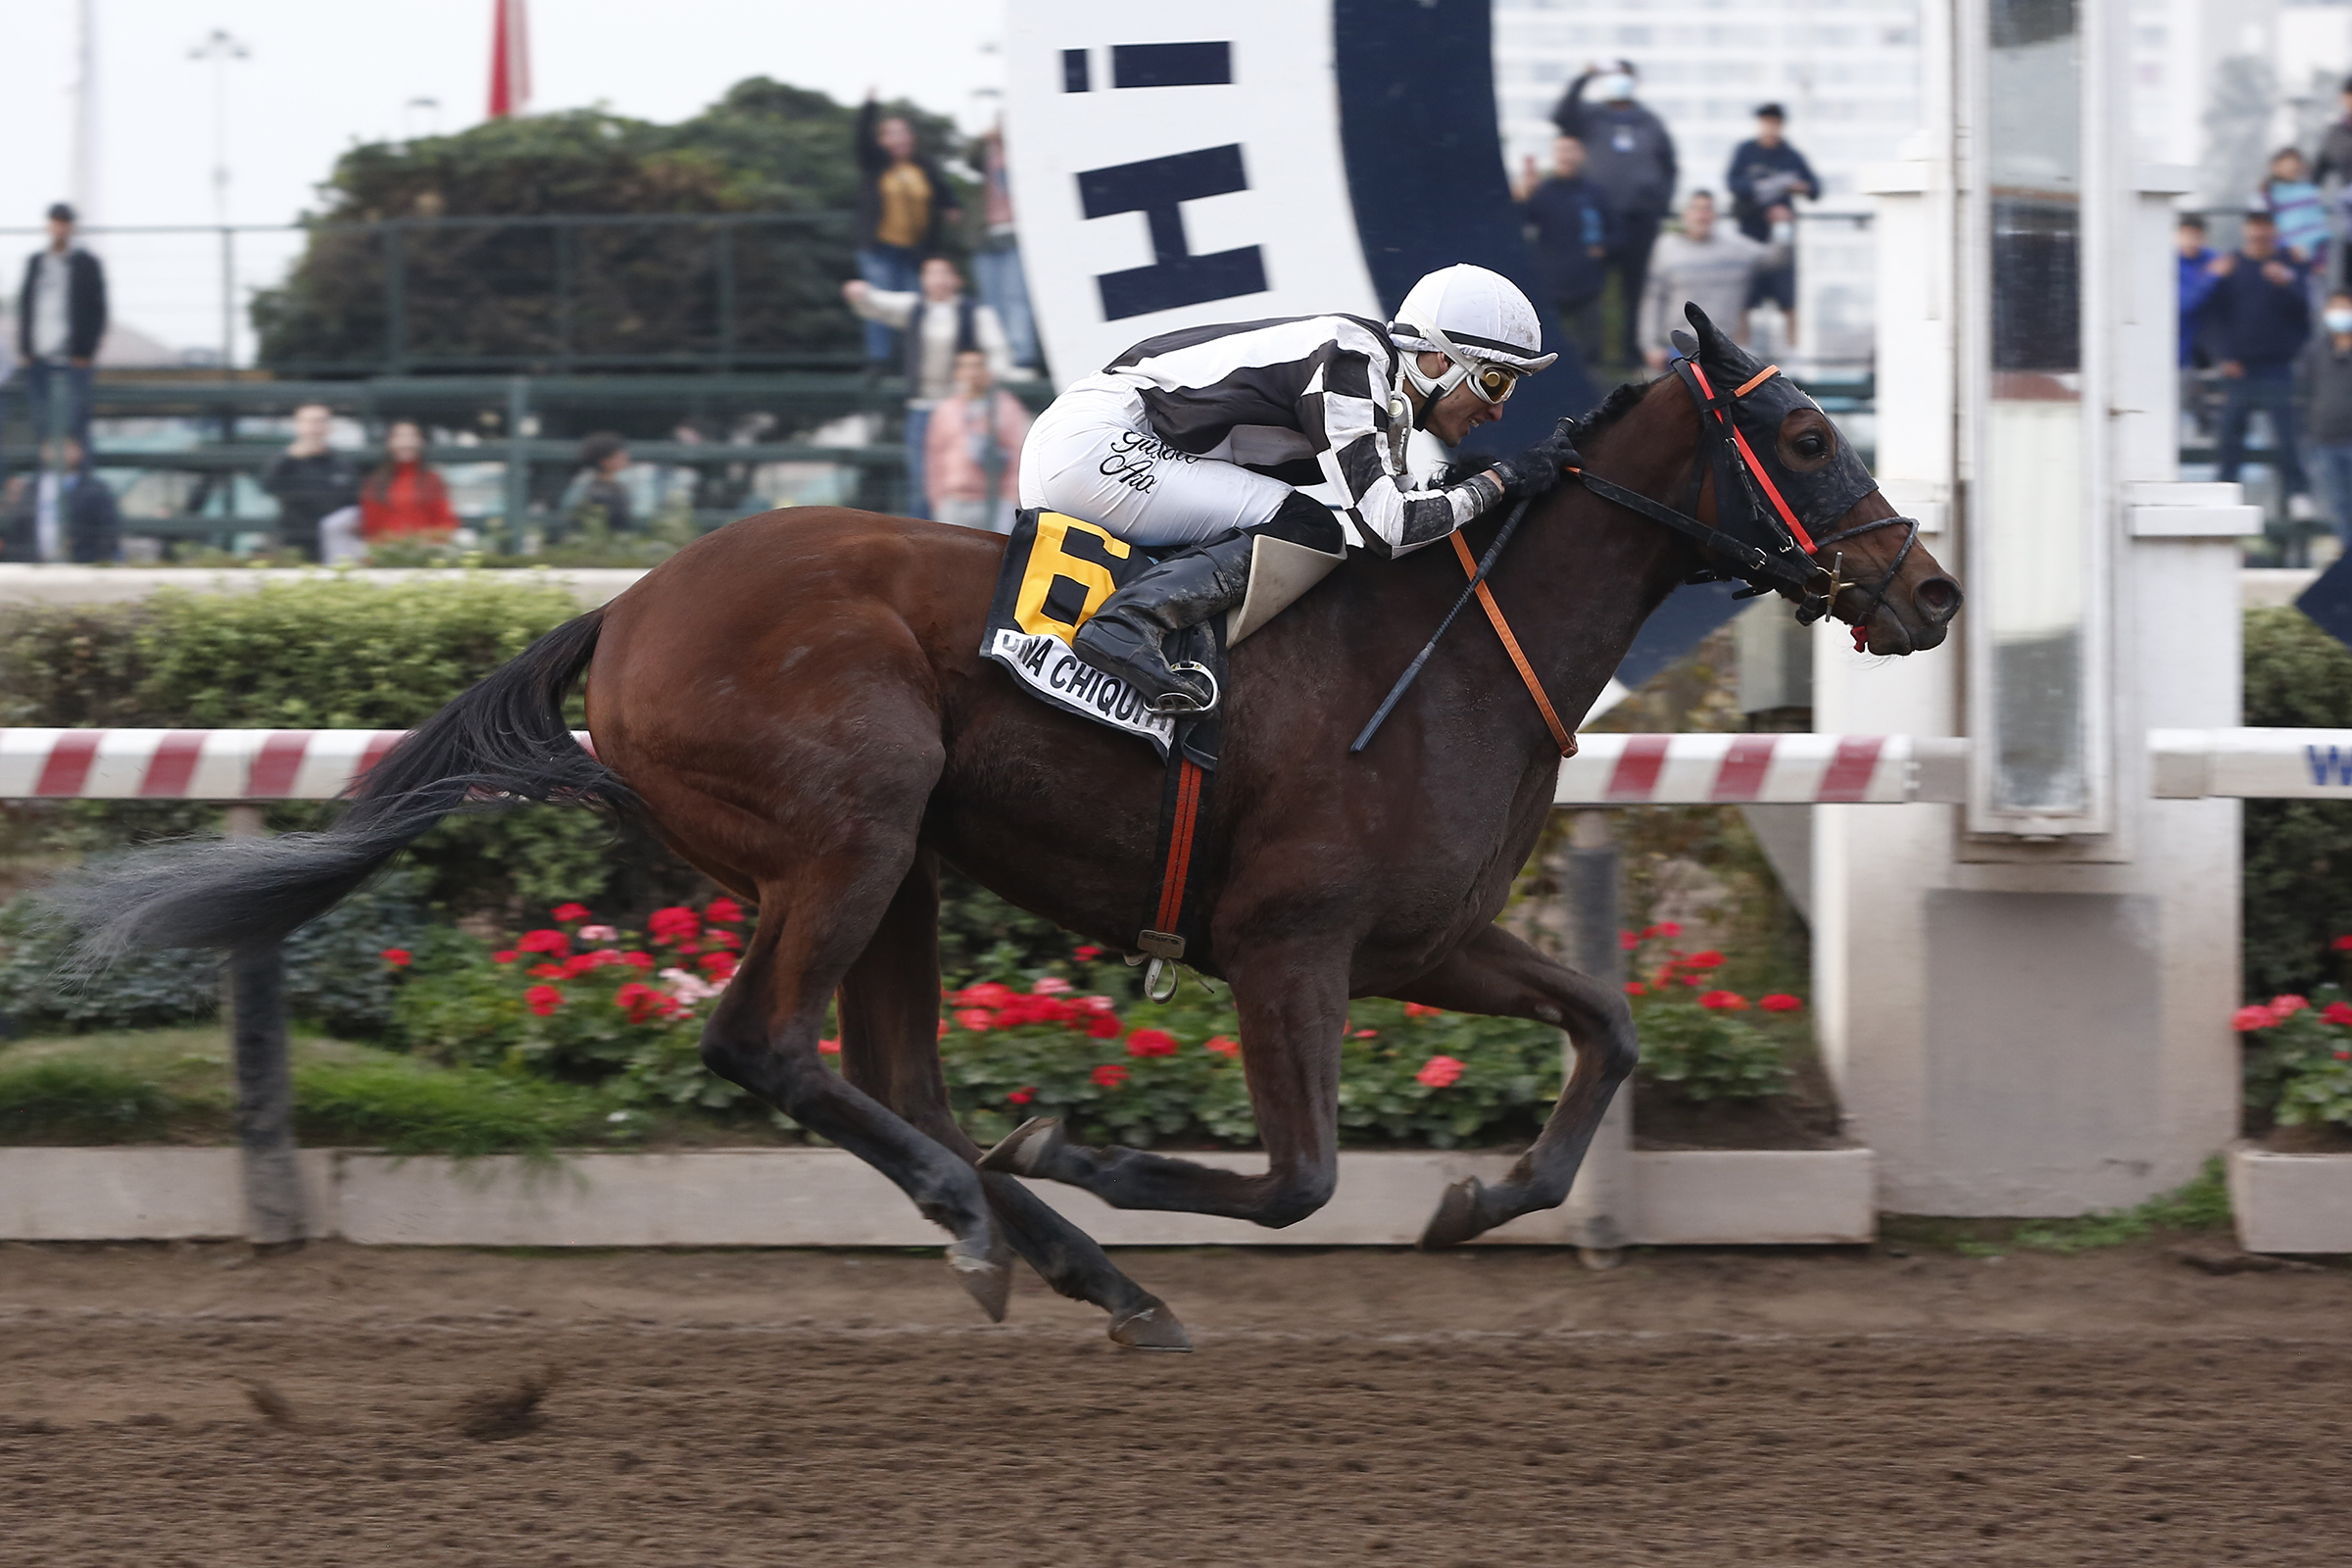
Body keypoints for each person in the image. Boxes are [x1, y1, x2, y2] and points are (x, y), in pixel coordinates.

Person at [1018, 263, 1578, 711]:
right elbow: (1390, 530)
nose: (1498, 411)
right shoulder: (1352, 359)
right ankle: (1128, 625)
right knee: (1309, 527)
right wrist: (1501, 481)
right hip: (1096, 444)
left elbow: (1412, 520)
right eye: (1495, 381)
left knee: (1304, 533)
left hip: (1094, 449)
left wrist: (1487, 488)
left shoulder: (1383, 398)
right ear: (1436, 358)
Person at [843, 255, 1010, 518]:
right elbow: (880, 304)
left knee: (960, 477)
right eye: (931, 274)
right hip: (922, 407)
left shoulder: (974, 312)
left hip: (960, 409)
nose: (938, 280)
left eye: (944, 273)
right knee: (921, 482)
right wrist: (862, 294)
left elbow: (998, 352)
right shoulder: (915, 308)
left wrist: (988, 377)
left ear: (956, 279)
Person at [1551, 62, 1676, 367]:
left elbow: (1669, 166)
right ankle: (1588, 356)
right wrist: (1586, 76)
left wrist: (1660, 204)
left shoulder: (1649, 122)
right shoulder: (1592, 115)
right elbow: (1561, 116)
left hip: (1640, 218)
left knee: (1636, 290)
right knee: (1589, 287)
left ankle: (1630, 354)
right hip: (1599, 218)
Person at [2207, 212, 2313, 517]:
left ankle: (2297, 493)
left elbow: (2305, 310)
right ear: (2245, 232)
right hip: (2238, 368)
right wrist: (2225, 356)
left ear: (2274, 233)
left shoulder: (2289, 264)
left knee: (2287, 435)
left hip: (2278, 365)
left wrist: (2286, 282)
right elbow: (2214, 317)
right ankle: (2224, 492)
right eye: (2254, 232)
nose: (2259, 238)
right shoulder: (2231, 266)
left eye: (2265, 232)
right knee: (2230, 434)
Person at [854, 93, 961, 370]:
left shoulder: (923, 166)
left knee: (916, 306)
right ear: (882, 140)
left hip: (914, 251)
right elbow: (860, 138)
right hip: (880, 247)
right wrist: (870, 105)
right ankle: (879, 361)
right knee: (877, 302)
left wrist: (951, 206)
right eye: (891, 134)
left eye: (903, 133)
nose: (899, 139)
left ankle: (913, 360)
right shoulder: (875, 165)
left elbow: (941, 190)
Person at [1638, 191, 1782, 368]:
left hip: (1723, 347)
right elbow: (1653, 299)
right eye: (1696, 209)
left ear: (1715, 215)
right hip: (1678, 348)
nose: (1702, 215)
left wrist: (1781, 226)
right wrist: (1649, 346)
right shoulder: (1667, 248)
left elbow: (1776, 259)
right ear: (1685, 214)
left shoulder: (1736, 248)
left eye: (1707, 209)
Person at [1514, 134, 1614, 365]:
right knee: (1544, 347)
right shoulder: (1543, 191)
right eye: (1562, 150)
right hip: (1551, 285)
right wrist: (1522, 195)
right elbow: (1519, 225)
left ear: (1581, 154)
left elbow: (1616, 232)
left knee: (1590, 350)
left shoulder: (1595, 192)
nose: (1567, 156)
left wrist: (1603, 248)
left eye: (1571, 150)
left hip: (1588, 285)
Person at [14, 203, 107, 449]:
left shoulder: (86, 263)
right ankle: (47, 475)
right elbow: (25, 306)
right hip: (39, 359)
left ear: (72, 228)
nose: (60, 229)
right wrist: (26, 350)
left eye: (64, 223)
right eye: (56, 223)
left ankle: (77, 475)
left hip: (74, 359)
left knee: (74, 430)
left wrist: (85, 352)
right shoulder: (36, 262)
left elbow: (98, 311)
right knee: (43, 429)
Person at [1725, 105, 1817, 342]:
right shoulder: (1746, 151)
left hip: (1781, 237)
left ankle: (1793, 354)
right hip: (1749, 234)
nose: (1770, 128)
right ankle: (1743, 352)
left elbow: (1815, 189)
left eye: (1774, 123)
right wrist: (1762, 191)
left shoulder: (1790, 156)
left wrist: (1795, 188)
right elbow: (1733, 184)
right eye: (1766, 123)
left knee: (1788, 300)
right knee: (1745, 300)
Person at [924, 349, 1031, 534]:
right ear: (956, 372)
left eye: (978, 366)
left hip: (995, 500)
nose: (971, 373)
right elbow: (934, 458)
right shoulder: (946, 409)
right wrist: (938, 499)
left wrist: (1011, 500)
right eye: (965, 367)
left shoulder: (1006, 407)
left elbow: (1019, 455)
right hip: (954, 500)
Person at [973, 122, 1039, 374]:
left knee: (1015, 297)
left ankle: (1022, 357)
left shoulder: (1025, 153)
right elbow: (968, 160)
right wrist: (990, 142)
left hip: (1018, 234)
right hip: (987, 236)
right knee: (991, 301)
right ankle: (998, 356)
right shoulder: (985, 153)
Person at [256, 402, 359, 562]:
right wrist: (288, 457)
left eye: (320, 421)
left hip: (335, 542)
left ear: (329, 426)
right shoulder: (284, 461)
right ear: (297, 425)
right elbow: (266, 486)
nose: (314, 427)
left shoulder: (342, 462)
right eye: (309, 421)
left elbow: (353, 500)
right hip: (295, 540)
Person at [0, 436, 119, 564]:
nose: (59, 452)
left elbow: (108, 531)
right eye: (52, 446)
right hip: (32, 565)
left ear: (79, 451)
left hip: (82, 565)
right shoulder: (30, 488)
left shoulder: (96, 489)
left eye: (66, 447)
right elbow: (17, 530)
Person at [2297, 289, 2352, 549]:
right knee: (2339, 503)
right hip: (2326, 438)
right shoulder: (2315, 351)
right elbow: (2305, 392)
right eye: (2335, 307)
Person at [359, 420, 459, 543]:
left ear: (421, 442)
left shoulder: (433, 480)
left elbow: (446, 522)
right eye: (399, 436)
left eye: (412, 436)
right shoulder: (375, 482)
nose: (406, 443)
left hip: (426, 549)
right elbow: (370, 528)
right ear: (389, 443)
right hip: (388, 551)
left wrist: (425, 540)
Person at [2260, 147, 2330, 279]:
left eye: (2294, 166)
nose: (2291, 169)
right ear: (2275, 167)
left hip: (2308, 254)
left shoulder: (2309, 193)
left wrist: (2319, 258)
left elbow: (2318, 228)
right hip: (2278, 253)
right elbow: (2264, 226)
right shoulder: (2266, 195)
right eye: (2286, 165)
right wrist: (2286, 247)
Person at [565, 431, 634, 538]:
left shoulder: (630, 479)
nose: (626, 457)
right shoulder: (584, 482)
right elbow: (569, 510)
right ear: (604, 461)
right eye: (619, 455)